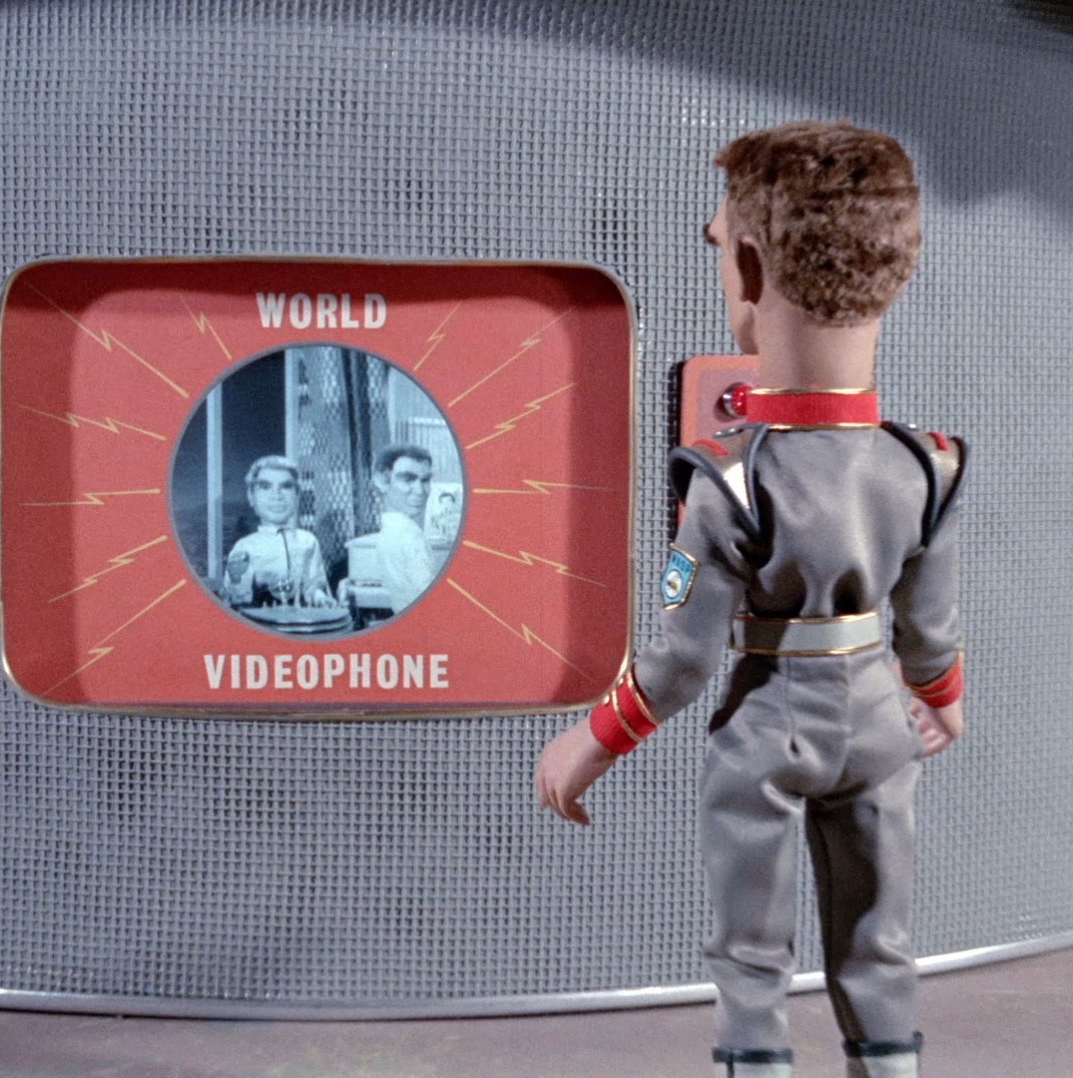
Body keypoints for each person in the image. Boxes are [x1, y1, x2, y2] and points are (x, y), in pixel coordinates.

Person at [534, 121, 967, 1078]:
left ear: (749, 267)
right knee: (880, 937)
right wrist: (941, 700)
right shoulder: (924, 467)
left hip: (770, 723)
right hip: (879, 721)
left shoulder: (729, 480)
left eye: (720, 242)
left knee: (751, 949)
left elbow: (684, 658)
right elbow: (929, 633)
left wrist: (590, 740)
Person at [223, 455, 335, 609]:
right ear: (251, 497)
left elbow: (314, 584)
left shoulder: (308, 541)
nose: (276, 495)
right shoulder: (245, 547)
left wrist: (320, 597)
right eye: (265, 486)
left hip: (303, 620)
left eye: (286, 486)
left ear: (297, 495)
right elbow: (236, 598)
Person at [366, 443, 437, 613]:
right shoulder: (410, 535)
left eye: (425, 480)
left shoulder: (389, 529)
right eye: (408, 479)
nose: (420, 491)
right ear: (382, 482)